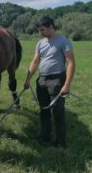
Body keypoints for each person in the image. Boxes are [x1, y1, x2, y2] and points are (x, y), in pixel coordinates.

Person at [23, 16, 76, 149]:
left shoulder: (63, 41)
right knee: (44, 110)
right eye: (39, 30)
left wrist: (67, 84)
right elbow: (35, 62)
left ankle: (60, 143)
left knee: (58, 112)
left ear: (51, 27)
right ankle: (45, 138)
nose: (40, 33)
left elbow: (71, 63)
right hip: (42, 80)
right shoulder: (40, 43)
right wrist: (28, 80)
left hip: (57, 79)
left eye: (43, 30)